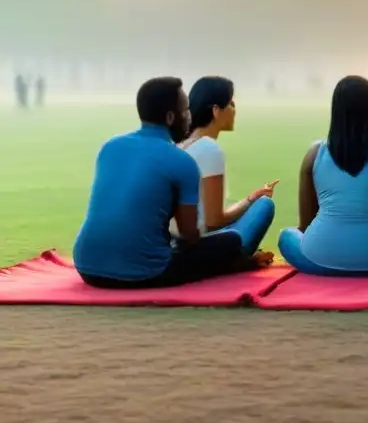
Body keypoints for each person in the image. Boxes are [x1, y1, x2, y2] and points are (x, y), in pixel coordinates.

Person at [72, 77, 261, 288]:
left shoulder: (110, 147)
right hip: (144, 272)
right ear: (171, 117)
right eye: (186, 111)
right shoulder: (182, 162)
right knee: (231, 241)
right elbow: (190, 236)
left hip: (87, 267)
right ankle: (234, 265)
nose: (190, 117)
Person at [278, 76, 368, 276]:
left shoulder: (314, 155)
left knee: (286, 236)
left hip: (319, 259)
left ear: (336, 110)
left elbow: (304, 226)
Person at [178, 76, 276, 260]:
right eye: (231, 104)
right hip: (198, 248)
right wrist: (252, 202)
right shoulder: (209, 148)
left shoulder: (182, 144)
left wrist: (250, 198)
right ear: (216, 110)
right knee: (264, 206)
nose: (234, 110)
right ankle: (238, 261)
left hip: (178, 241)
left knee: (257, 202)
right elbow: (214, 221)